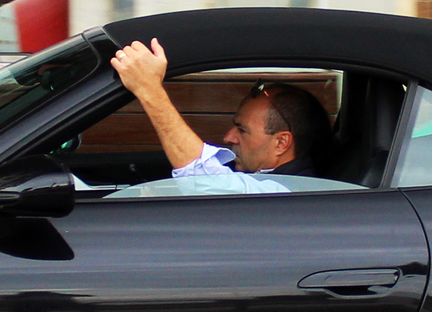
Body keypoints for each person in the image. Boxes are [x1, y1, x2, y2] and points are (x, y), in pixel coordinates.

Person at [109, 38, 333, 195]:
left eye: (242, 130)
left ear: (281, 143)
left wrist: (149, 89)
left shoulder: (285, 195)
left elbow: (204, 180)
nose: (228, 137)